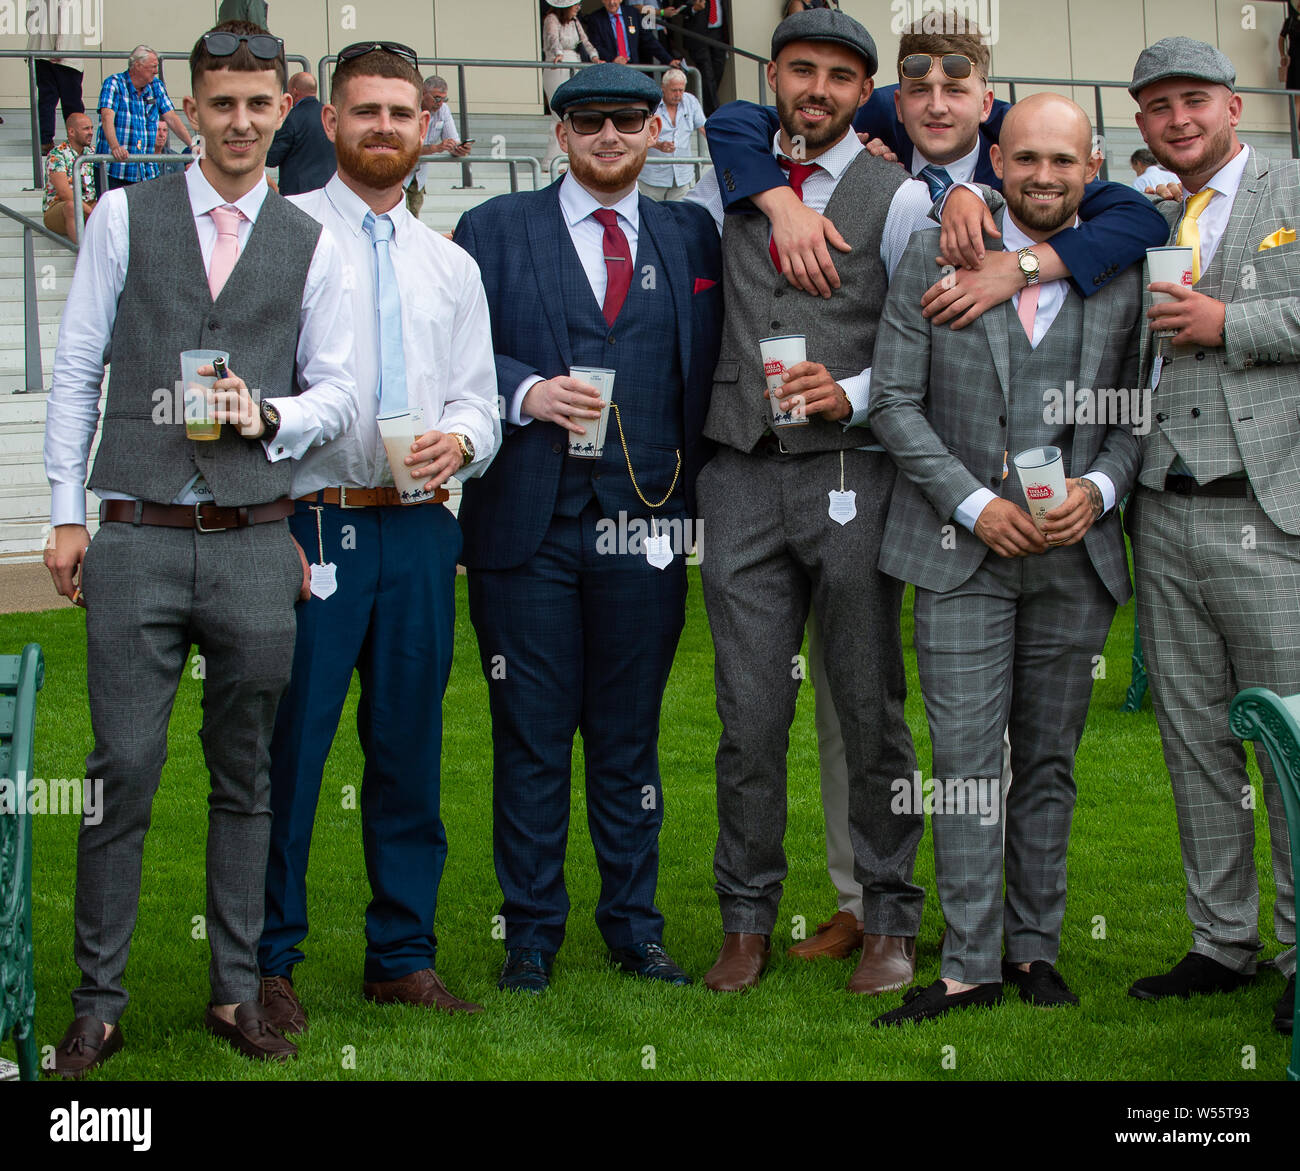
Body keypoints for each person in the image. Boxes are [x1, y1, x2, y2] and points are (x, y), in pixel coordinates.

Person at [699, 16, 1169, 967]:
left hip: (891, 478)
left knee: (896, 710)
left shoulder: (980, 195)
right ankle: (852, 907)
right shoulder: (830, 143)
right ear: (896, 99)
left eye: (959, 88)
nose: (937, 100)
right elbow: (741, 127)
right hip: (856, 485)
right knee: (802, 712)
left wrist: (1026, 255)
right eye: (917, 88)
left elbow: (1135, 228)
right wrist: (781, 203)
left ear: (986, 106)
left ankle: (947, 921)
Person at [42, 20, 358, 1076]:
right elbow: (79, 365)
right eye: (220, 103)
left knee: (247, 777)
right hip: (135, 529)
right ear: (190, 108)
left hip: (257, 540)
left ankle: (234, 993)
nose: (238, 122)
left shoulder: (311, 240)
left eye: (258, 104)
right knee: (121, 768)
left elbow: (342, 393)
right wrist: (64, 510)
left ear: (285, 110)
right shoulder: (126, 217)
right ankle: (99, 1001)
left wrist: (267, 414)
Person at [867, 94, 1142, 1025]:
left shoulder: (1123, 270)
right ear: (999, 157)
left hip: (1075, 555)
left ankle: (1035, 952)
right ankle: (968, 965)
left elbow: (1139, 416)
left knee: (1051, 762)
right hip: (959, 552)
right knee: (969, 762)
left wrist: (1096, 494)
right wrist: (977, 506)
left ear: (1090, 165)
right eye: (1025, 159)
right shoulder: (933, 253)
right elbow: (896, 402)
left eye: (1063, 162)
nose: (1043, 177)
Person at [685, 8, 940, 996]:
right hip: (739, 466)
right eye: (801, 70)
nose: (818, 89)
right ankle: (744, 920)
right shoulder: (729, 186)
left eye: (839, 74)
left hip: (853, 467)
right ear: (776, 77)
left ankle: (886, 917)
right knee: (748, 714)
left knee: (869, 706)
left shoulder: (904, 197)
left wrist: (859, 393)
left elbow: (921, 335)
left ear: (859, 89)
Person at [453, 63, 722, 994]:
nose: (610, 135)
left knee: (626, 737)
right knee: (528, 734)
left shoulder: (694, 234)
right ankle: (529, 934)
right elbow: (448, 350)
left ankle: (633, 927)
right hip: (523, 528)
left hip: (646, 525)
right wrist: (525, 390)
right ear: (558, 133)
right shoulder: (491, 229)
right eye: (589, 120)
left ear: (658, 130)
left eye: (629, 120)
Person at [257, 42, 500, 1034]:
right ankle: (267, 961)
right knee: (291, 751)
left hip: (416, 533)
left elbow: (480, 402)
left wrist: (466, 441)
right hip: (313, 524)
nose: (386, 128)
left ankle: (400, 955)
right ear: (331, 120)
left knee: (406, 748)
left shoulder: (451, 264)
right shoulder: (282, 238)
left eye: (403, 112)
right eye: (367, 111)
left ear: (424, 126)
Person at [1123, 37, 1298, 1035]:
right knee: (1194, 744)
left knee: (1285, 746)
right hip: (1163, 505)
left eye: (1192, 100)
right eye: (1156, 108)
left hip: (1269, 509)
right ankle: (1220, 942)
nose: (1176, 120)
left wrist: (1228, 322)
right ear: (1139, 125)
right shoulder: (1139, 214)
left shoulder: (1292, 190)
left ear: (1232, 106)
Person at [95, 45, 194, 190]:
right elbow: (106, 117)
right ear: (137, 65)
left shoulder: (156, 86)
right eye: (153, 66)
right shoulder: (114, 83)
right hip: (115, 170)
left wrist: (192, 144)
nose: (156, 71)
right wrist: (115, 147)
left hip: (146, 171)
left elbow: (171, 118)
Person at [542, 2, 601, 169]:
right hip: (557, 65)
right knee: (558, 112)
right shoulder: (551, 19)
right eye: (575, 5)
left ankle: (568, 158)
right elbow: (552, 38)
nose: (578, 8)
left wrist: (594, 56)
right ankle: (553, 160)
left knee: (572, 111)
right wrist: (558, 53)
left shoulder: (575, 21)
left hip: (574, 65)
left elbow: (585, 41)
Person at [404, 76, 469, 218]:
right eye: (436, 98)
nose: (440, 103)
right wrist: (436, 148)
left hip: (418, 176)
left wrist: (459, 150)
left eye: (444, 99)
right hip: (399, 173)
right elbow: (406, 148)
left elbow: (452, 140)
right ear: (422, 94)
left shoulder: (443, 110)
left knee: (413, 219)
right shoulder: (408, 108)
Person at [639, 67, 706, 200]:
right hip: (654, 177)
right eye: (674, 90)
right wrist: (658, 145)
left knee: (679, 217)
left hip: (682, 176)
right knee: (653, 216)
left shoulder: (690, 101)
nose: (678, 94)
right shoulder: (651, 103)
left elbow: (704, 128)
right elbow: (638, 135)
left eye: (681, 90)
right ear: (663, 88)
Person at [266, 71, 335, 196]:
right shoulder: (330, 117)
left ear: (294, 91)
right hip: (330, 192)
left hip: (299, 194)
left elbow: (272, 158)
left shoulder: (291, 118)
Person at [28, 7, 80, 153]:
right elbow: (64, 16)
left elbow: (30, 20)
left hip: (40, 52)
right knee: (72, 101)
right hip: (64, 56)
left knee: (46, 99)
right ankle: (78, 142)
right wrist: (60, 48)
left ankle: (44, 141)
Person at [43, 111, 96, 241]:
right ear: (71, 132)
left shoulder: (94, 152)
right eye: (85, 129)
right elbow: (64, 193)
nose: (90, 132)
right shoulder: (57, 155)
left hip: (89, 203)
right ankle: (82, 253)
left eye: (91, 128)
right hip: (60, 207)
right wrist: (91, 212)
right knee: (72, 207)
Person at [584, 0, 678, 69]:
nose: (612, 2)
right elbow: (596, 46)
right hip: (610, 68)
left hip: (633, 68)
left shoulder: (632, 13)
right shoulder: (595, 19)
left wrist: (669, 60)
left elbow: (648, 40)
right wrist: (613, 59)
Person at [683, 0, 729, 115]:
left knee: (717, 71)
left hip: (718, 33)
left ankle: (707, 110)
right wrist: (693, 8)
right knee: (707, 73)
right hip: (698, 35)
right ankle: (717, 113)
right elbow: (677, 6)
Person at [1280, 0, 1300, 124]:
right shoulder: (1291, 21)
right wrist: (1283, 55)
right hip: (1295, 62)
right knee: (1296, 98)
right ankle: (1297, 134)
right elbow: (1281, 39)